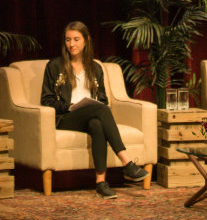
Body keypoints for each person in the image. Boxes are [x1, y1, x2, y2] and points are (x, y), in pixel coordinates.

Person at [40, 21, 149, 199]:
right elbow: (46, 100)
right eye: (68, 40)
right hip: (66, 117)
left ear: (86, 41)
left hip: (89, 114)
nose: (71, 44)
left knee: (97, 123)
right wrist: (69, 106)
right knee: (101, 111)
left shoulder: (96, 68)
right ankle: (127, 162)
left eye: (76, 39)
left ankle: (101, 183)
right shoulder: (54, 66)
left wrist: (93, 102)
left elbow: (103, 99)